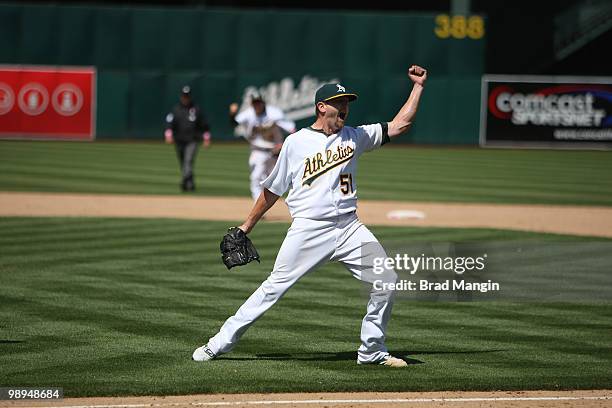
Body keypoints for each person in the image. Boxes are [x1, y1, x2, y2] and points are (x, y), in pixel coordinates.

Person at [194, 65, 427, 367]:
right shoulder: (296, 142)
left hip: (349, 228)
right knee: (272, 289)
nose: (345, 107)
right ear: (321, 107)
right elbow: (272, 190)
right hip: (309, 230)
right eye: (339, 102)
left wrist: (419, 87)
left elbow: (400, 125)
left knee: (386, 279)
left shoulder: (355, 136)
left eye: (347, 102)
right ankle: (218, 344)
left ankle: (372, 350)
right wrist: (246, 226)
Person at [229, 93, 295, 201]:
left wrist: (285, 144)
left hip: (275, 152)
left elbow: (291, 129)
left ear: (263, 102)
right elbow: (234, 123)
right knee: (256, 178)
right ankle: (258, 205)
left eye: (258, 102)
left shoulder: (274, 113)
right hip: (258, 151)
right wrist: (232, 114)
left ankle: (295, 202)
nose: (257, 105)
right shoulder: (248, 114)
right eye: (255, 103)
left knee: (280, 181)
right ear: (251, 104)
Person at [165, 86, 211, 192]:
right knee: (183, 162)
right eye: (184, 96)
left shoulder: (196, 109)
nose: (185, 98)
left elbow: (204, 125)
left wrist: (206, 138)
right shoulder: (176, 109)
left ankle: (186, 182)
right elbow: (169, 123)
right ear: (181, 96)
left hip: (192, 140)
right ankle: (189, 182)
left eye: (187, 96)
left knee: (188, 161)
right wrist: (168, 135)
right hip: (179, 140)